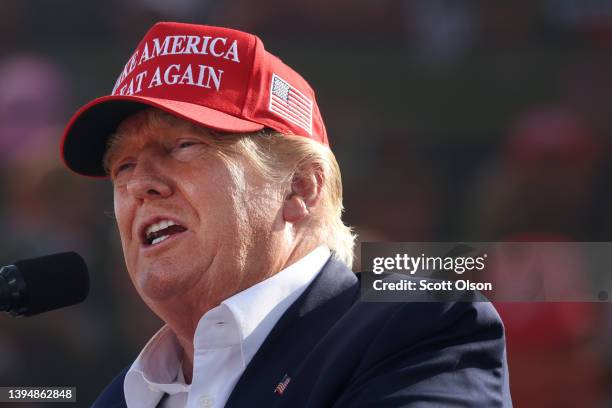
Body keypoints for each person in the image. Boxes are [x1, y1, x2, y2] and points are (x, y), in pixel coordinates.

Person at [60, 22, 512, 407]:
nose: (140, 184)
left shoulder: (419, 326)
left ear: (300, 188)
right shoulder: (122, 396)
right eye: (123, 166)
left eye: (183, 146)